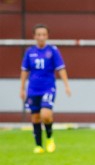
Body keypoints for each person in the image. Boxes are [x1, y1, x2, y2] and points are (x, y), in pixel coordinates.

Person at [19, 24, 71, 154]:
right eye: (39, 34)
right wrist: (22, 88)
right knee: (35, 117)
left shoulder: (52, 51)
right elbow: (25, 71)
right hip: (33, 89)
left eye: (44, 34)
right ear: (34, 36)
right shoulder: (29, 52)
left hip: (48, 87)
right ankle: (39, 146)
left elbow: (61, 68)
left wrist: (66, 85)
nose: (41, 37)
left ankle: (49, 138)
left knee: (46, 115)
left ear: (47, 36)